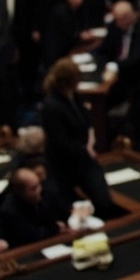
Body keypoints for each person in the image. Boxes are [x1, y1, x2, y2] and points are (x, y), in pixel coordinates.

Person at [40, 59, 122, 220]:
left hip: (84, 160)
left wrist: (90, 141)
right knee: (69, 210)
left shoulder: (74, 96)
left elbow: (87, 119)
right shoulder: (51, 107)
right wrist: (86, 150)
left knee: (103, 202)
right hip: (64, 166)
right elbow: (60, 143)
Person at [94, 1, 140, 148]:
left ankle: (130, 140)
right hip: (122, 78)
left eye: (119, 19)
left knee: (139, 106)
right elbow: (104, 50)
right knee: (101, 100)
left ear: (128, 17)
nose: (116, 22)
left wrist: (115, 66)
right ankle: (103, 137)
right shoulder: (116, 27)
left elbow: (136, 59)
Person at [0, 167, 69, 246]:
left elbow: (64, 214)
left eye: (39, 184)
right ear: (20, 192)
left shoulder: (45, 193)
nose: (39, 190)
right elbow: (32, 236)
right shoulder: (9, 210)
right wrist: (55, 228)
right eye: (33, 188)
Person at [42, 0, 94, 67]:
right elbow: (67, 34)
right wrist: (81, 35)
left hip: (68, 50)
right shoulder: (61, 11)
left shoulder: (78, 10)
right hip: (58, 54)